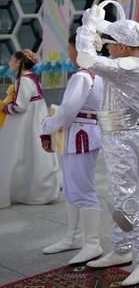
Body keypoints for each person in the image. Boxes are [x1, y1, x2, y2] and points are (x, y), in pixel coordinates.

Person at [75, 2, 139, 286]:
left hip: (123, 134)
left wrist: (88, 27)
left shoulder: (130, 65)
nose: (106, 47)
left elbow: (85, 58)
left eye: (111, 44)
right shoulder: (127, 62)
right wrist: (99, 23)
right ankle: (122, 247)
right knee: (118, 193)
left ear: (123, 47)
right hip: (118, 133)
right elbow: (101, 48)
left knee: (125, 196)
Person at [40, 34, 104, 264]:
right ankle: (74, 237)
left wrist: (46, 127)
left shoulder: (81, 77)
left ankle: (92, 242)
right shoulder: (96, 75)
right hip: (80, 135)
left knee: (83, 190)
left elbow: (66, 112)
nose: (68, 54)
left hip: (80, 136)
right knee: (71, 188)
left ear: (79, 49)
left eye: (70, 49)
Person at [0, 49, 60, 209]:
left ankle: (29, 191)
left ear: (19, 63)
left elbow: (20, 106)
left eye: (12, 60)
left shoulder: (23, 80)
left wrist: (4, 108)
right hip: (34, 123)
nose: (9, 63)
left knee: (19, 156)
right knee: (31, 156)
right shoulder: (31, 78)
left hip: (27, 126)